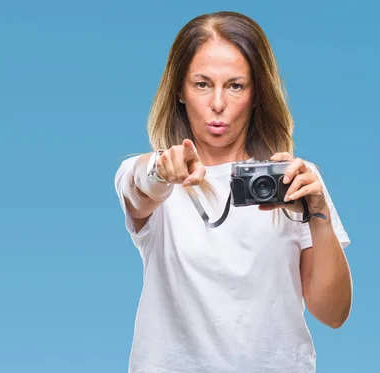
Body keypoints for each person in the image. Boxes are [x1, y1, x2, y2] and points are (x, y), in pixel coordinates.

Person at [113, 11, 353, 373]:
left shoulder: (293, 180)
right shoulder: (152, 174)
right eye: (202, 84)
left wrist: (317, 212)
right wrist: (162, 170)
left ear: (257, 94)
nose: (218, 104)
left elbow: (332, 314)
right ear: (179, 89)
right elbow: (139, 189)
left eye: (235, 85)